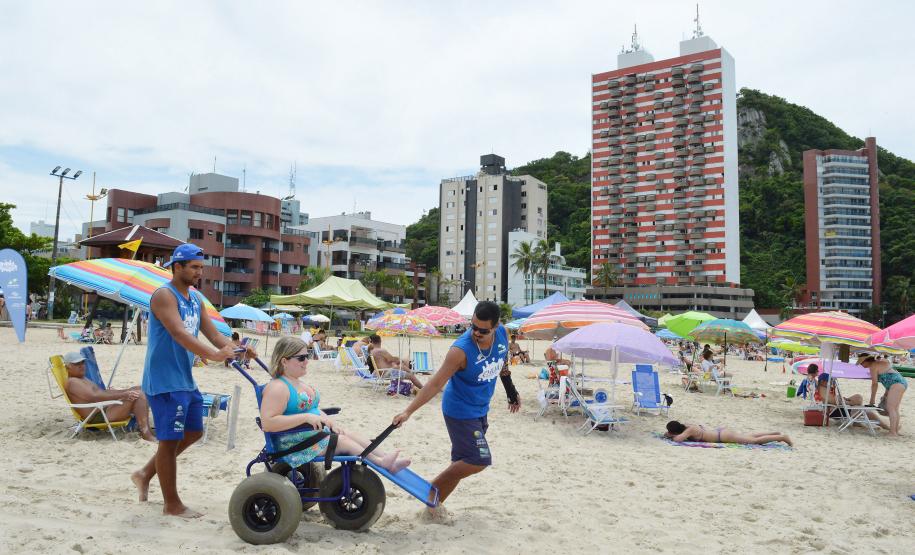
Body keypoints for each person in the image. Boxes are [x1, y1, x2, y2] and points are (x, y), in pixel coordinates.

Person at [130, 243, 253, 518]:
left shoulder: (195, 299)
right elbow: (179, 333)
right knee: (169, 441)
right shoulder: (164, 295)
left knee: (194, 431)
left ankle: (144, 473)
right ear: (177, 267)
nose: (199, 272)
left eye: (201, 267)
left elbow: (214, 334)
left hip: (184, 379)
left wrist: (239, 350)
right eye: (194, 267)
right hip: (163, 381)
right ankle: (171, 505)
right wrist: (214, 354)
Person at [392, 301, 520, 519]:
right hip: (459, 411)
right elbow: (435, 384)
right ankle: (430, 489)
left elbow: (502, 363)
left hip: (481, 409)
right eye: (473, 326)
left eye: (483, 330)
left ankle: (433, 508)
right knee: (478, 460)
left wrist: (511, 391)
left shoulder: (503, 334)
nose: (476, 333)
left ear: (496, 326)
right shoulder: (460, 350)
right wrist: (408, 412)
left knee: (462, 462)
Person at [260, 337, 411, 472]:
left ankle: (386, 458)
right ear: (284, 361)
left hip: (309, 436)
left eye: (307, 356)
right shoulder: (278, 388)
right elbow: (268, 423)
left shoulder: (295, 382)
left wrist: (330, 422)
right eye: (301, 358)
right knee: (343, 440)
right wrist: (305, 418)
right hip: (293, 445)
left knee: (348, 433)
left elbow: (313, 409)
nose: (307, 361)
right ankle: (380, 462)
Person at [62, 351, 155, 442]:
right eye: (77, 364)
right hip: (98, 415)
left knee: (139, 389)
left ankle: (145, 428)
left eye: (83, 362)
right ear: (68, 366)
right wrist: (123, 394)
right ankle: (146, 433)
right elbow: (94, 396)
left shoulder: (81, 378)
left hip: (103, 408)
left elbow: (101, 392)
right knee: (138, 395)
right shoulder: (72, 382)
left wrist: (127, 391)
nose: (81, 365)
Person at [859, 354, 908, 437]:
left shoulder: (873, 366)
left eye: (861, 363)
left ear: (866, 361)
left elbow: (874, 384)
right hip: (900, 382)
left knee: (891, 408)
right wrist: (886, 394)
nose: (861, 365)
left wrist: (872, 400)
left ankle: (892, 433)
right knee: (895, 409)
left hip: (896, 384)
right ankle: (895, 431)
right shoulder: (881, 362)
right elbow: (888, 377)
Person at [664, 420, 792, 446]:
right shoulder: (687, 425)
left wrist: (671, 435)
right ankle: (774, 433)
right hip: (721, 432)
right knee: (749, 436)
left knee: (754, 441)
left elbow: (678, 440)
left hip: (722, 436)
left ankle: (782, 437)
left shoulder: (689, 430)